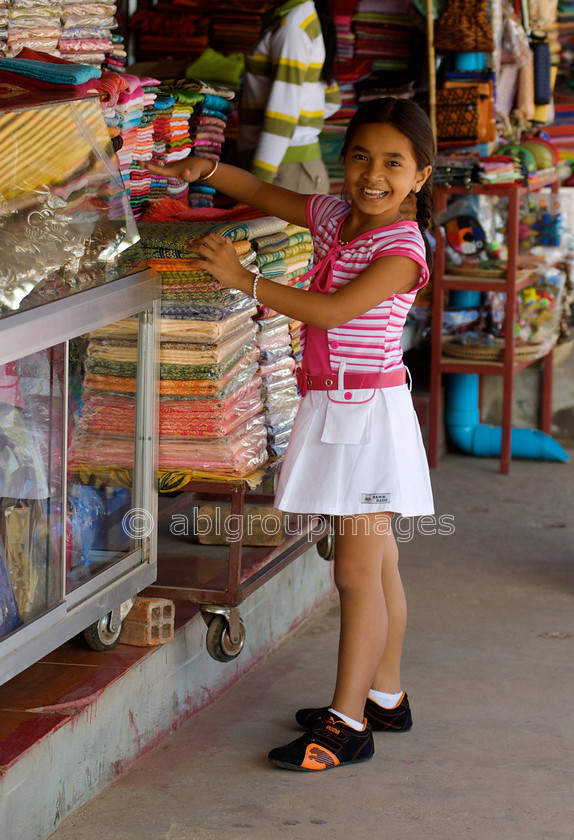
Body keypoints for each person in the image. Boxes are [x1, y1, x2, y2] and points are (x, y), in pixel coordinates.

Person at [148, 96, 435, 772]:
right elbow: (258, 189)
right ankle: (385, 695)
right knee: (380, 563)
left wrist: (245, 280)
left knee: (358, 574)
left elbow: (332, 311)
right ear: (344, 162)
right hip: (341, 411)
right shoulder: (336, 217)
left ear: (421, 176)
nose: (373, 174)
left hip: (366, 420)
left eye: (394, 163)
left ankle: (346, 725)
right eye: (360, 157)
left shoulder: (401, 249)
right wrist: (206, 168)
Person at [238, 0, 340, 193]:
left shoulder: (293, 29)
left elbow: (283, 114)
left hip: (282, 171)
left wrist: (252, 187)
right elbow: (332, 101)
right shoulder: (299, 21)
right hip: (286, 167)